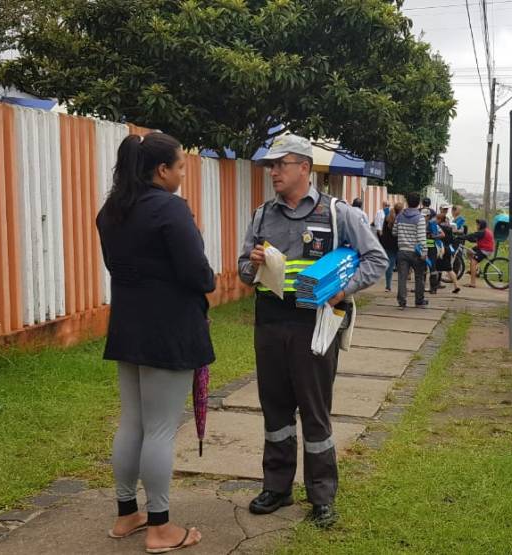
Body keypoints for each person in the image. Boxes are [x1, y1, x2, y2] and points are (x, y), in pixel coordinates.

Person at [238, 135, 386, 529]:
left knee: (315, 413)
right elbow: (242, 270)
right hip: (269, 320)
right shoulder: (262, 215)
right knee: (275, 408)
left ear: (304, 167)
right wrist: (251, 264)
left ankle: (321, 496)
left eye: (280, 165)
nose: (273, 173)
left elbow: (376, 259)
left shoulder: (339, 214)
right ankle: (277, 486)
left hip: (315, 323)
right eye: (270, 167)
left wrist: (344, 288)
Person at [97, 132, 215, 553]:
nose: (183, 173)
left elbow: (116, 265)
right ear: (162, 170)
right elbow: (198, 274)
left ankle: (127, 511)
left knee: (133, 421)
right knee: (161, 429)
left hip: (128, 327)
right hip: (168, 331)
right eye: (181, 166)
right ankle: (161, 527)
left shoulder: (111, 210)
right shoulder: (170, 209)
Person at [393, 192, 428, 309]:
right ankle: (419, 301)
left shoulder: (400, 216)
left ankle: (402, 302)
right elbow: (422, 238)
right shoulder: (420, 218)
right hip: (416, 253)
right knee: (419, 277)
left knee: (402, 278)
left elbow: (394, 232)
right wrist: (424, 253)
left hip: (402, 251)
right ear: (419, 203)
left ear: (407, 202)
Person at [459, 219, 496, 288]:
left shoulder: (482, 232)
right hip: (482, 247)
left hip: (485, 249)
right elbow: (474, 239)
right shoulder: (484, 231)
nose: (477, 225)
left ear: (481, 225)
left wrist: (460, 237)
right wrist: (466, 238)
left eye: (478, 224)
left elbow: (472, 235)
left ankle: (473, 283)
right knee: (469, 251)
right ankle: (476, 270)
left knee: (473, 262)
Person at [380, 202, 403, 292]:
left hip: (388, 245)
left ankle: (388, 286)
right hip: (399, 244)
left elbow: (383, 231)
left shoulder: (387, 218)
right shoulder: (400, 219)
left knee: (390, 265)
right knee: (402, 265)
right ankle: (401, 286)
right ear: (400, 210)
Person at [435, 212, 460, 293]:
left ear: (439, 219)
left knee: (436, 268)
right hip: (448, 249)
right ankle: (456, 286)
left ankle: (435, 285)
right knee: (449, 269)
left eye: (436, 218)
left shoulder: (438, 227)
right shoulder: (449, 228)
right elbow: (452, 240)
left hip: (441, 250)